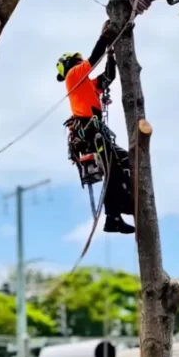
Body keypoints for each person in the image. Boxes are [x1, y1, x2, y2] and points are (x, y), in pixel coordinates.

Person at [56, 20, 135, 235]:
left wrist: (111, 54)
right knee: (112, 171)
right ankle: (113, 217)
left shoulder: (85, 84)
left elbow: (108, 76)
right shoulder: (73, 76)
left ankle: (127, 203)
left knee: (127, 160)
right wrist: (105, 37)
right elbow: (94, 57)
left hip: (97, 132)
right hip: (91, 133)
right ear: (74, 62)